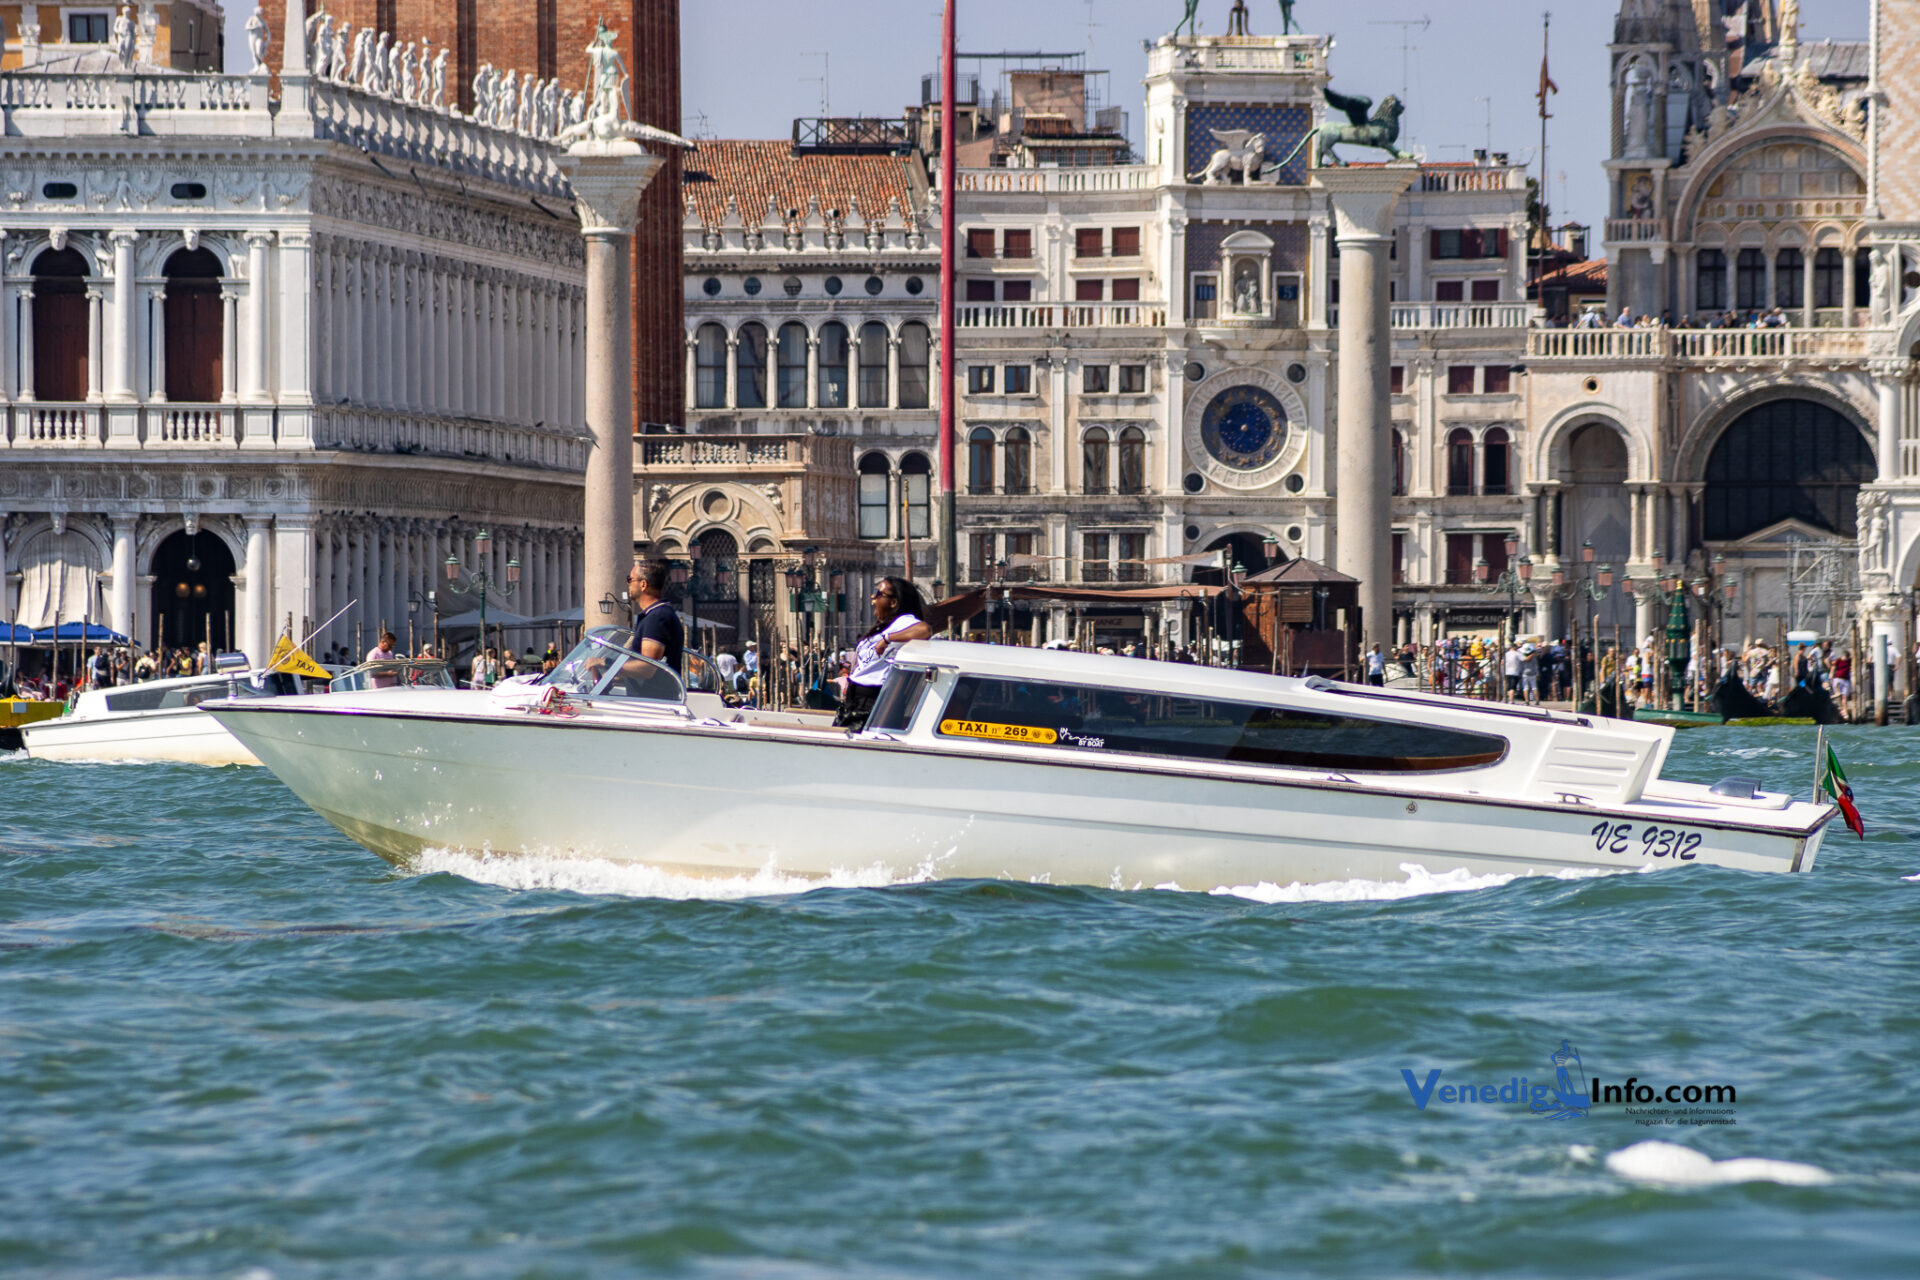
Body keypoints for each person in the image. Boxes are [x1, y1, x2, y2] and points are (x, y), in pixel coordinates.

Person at [836, 577, 932, 729]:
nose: (872, 597)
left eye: (878, 593)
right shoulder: (886, 626)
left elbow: (924, 630)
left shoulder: (903, 621)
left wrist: (887, 639)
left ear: (893, 602)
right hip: (856, 701)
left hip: (870, 703)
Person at [624, 560, 684, 675]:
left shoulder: (657, 617)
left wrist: (606, 664)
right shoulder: (656, 615)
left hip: (653, 693)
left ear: (643, 584)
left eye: (630, 579)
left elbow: (648, 667)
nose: (628, 584)